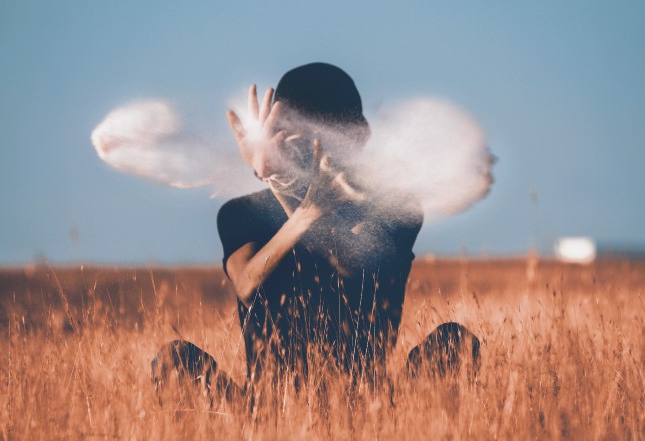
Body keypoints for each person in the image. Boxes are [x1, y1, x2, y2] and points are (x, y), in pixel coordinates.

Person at [151, 63, 480, 405]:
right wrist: (282, 187)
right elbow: (248, 283)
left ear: (359, 136)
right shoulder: (241, 213)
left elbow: (351, 272)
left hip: (369, 406)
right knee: (174, 360)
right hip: (267, 411)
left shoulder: (398, 211)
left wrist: (298, 200)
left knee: (454, 342)